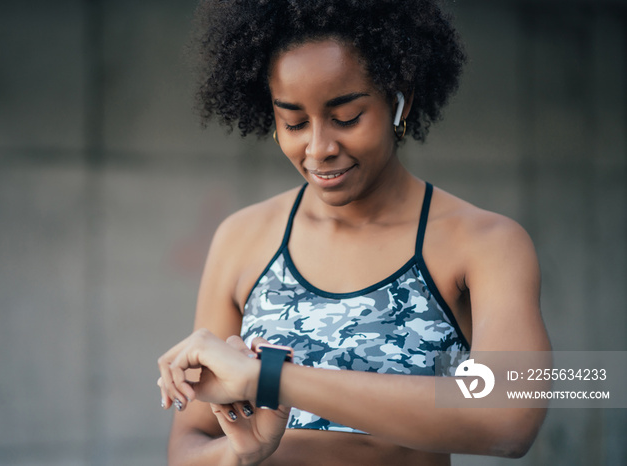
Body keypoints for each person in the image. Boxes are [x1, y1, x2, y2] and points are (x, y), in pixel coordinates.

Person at [157, 0, 551, 464]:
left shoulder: (483, 243)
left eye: (346, 117)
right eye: (294, 122)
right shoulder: (243, 237)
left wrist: (267, 378)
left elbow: (509, 418)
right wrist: (241, 453)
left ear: (399, 99)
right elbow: (187, 447)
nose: (318, 148)